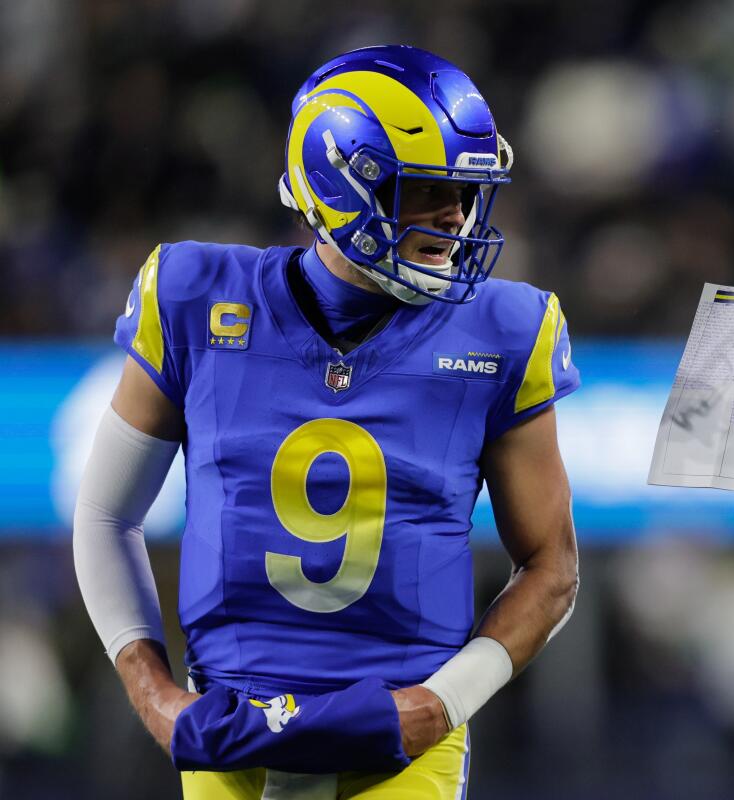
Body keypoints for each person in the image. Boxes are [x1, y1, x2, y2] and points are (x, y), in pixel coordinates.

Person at [72, 45, 580, 799]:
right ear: (342, 186)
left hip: (402, 749)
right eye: (429, 190)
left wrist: (442, 704)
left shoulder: (505, 328)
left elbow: (552, 567)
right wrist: (158, 701)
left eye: (469, 192)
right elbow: (105, 514)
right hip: (228, 730)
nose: (459, 218)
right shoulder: (191, 295)